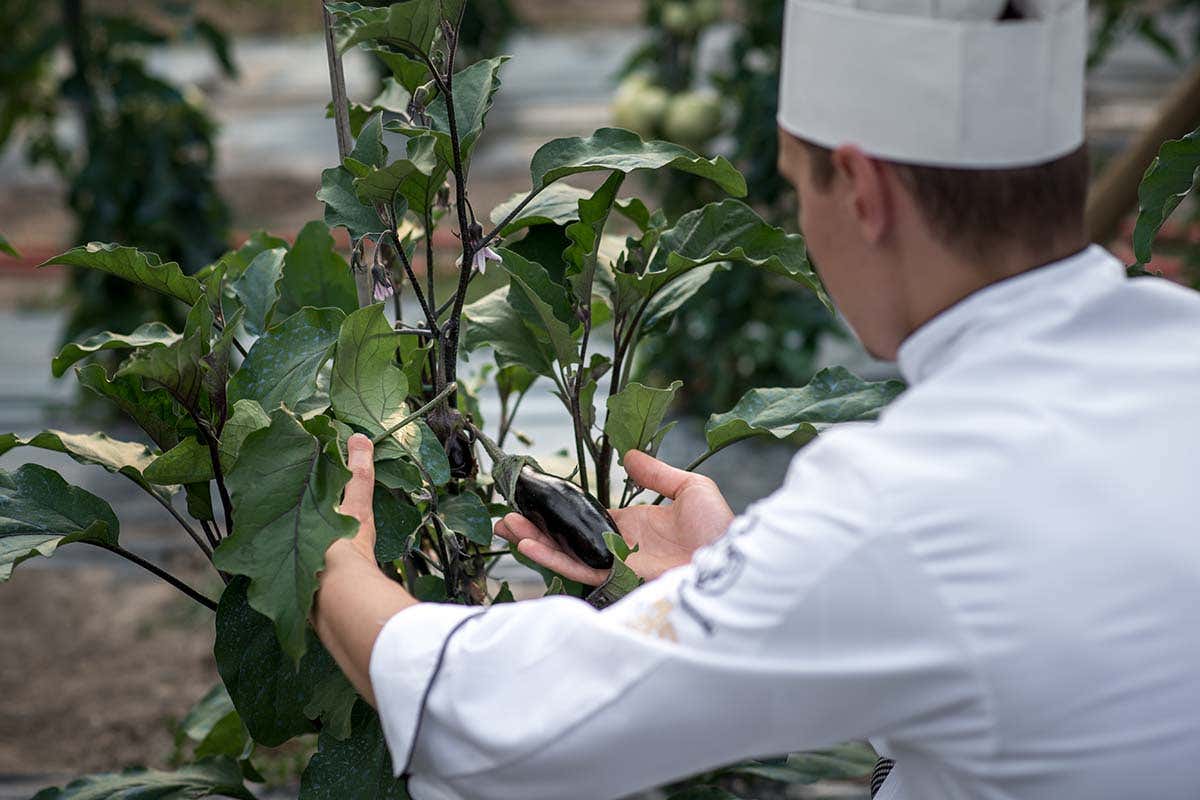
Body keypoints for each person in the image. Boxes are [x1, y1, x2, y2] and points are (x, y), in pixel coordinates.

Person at [312, 0, 1200, 797]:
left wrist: (331, 566)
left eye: (794, 181)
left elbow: (497, 720)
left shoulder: (901, 506)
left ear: (861, 190)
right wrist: (744, 579)